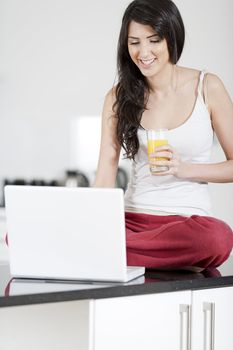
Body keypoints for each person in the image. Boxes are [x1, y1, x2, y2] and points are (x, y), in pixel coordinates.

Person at [93, 0, 233, 270]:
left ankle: (105, 251)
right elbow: (104, 177)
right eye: (134, 42)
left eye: (153, 40)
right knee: (18, 234)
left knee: (217, 240)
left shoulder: (207, 87)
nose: (143, 52)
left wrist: (185, 169)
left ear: (171, 37)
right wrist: (85, 219)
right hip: (132, 220)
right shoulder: (118, 97)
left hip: (186, 223)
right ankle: (112, 248)